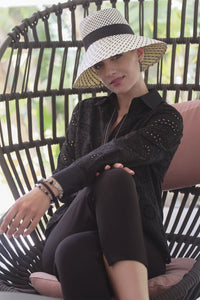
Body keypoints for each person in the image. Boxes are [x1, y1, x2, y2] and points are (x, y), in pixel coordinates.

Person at [0, 8, 183, 300]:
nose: (109, 71)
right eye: (99, 65)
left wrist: (50, 188)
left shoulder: (166, 119)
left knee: (76, 248)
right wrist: (95, 177)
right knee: (113, 179)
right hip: (69, 228)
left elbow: (117, 150)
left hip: (139, 241)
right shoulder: (85, 112)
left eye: (116, 57)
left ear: (138, 52)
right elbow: (73, 192)